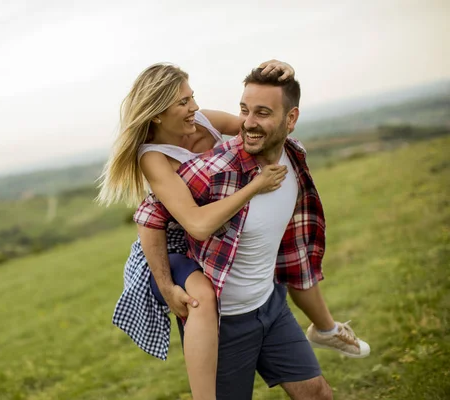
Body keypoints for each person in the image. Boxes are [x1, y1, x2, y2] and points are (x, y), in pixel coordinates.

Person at [100, 62, 368, 399]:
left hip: (235, 256)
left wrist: (280, 70)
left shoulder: (204, 121)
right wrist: (255, 186)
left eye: (192, 97)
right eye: (183, 102)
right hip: (176, 246)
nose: (194, 107)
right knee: (202, 298)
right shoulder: (153, 157)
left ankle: (326, 328)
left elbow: (255, 127)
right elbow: (188, 224)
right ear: (156, 113)